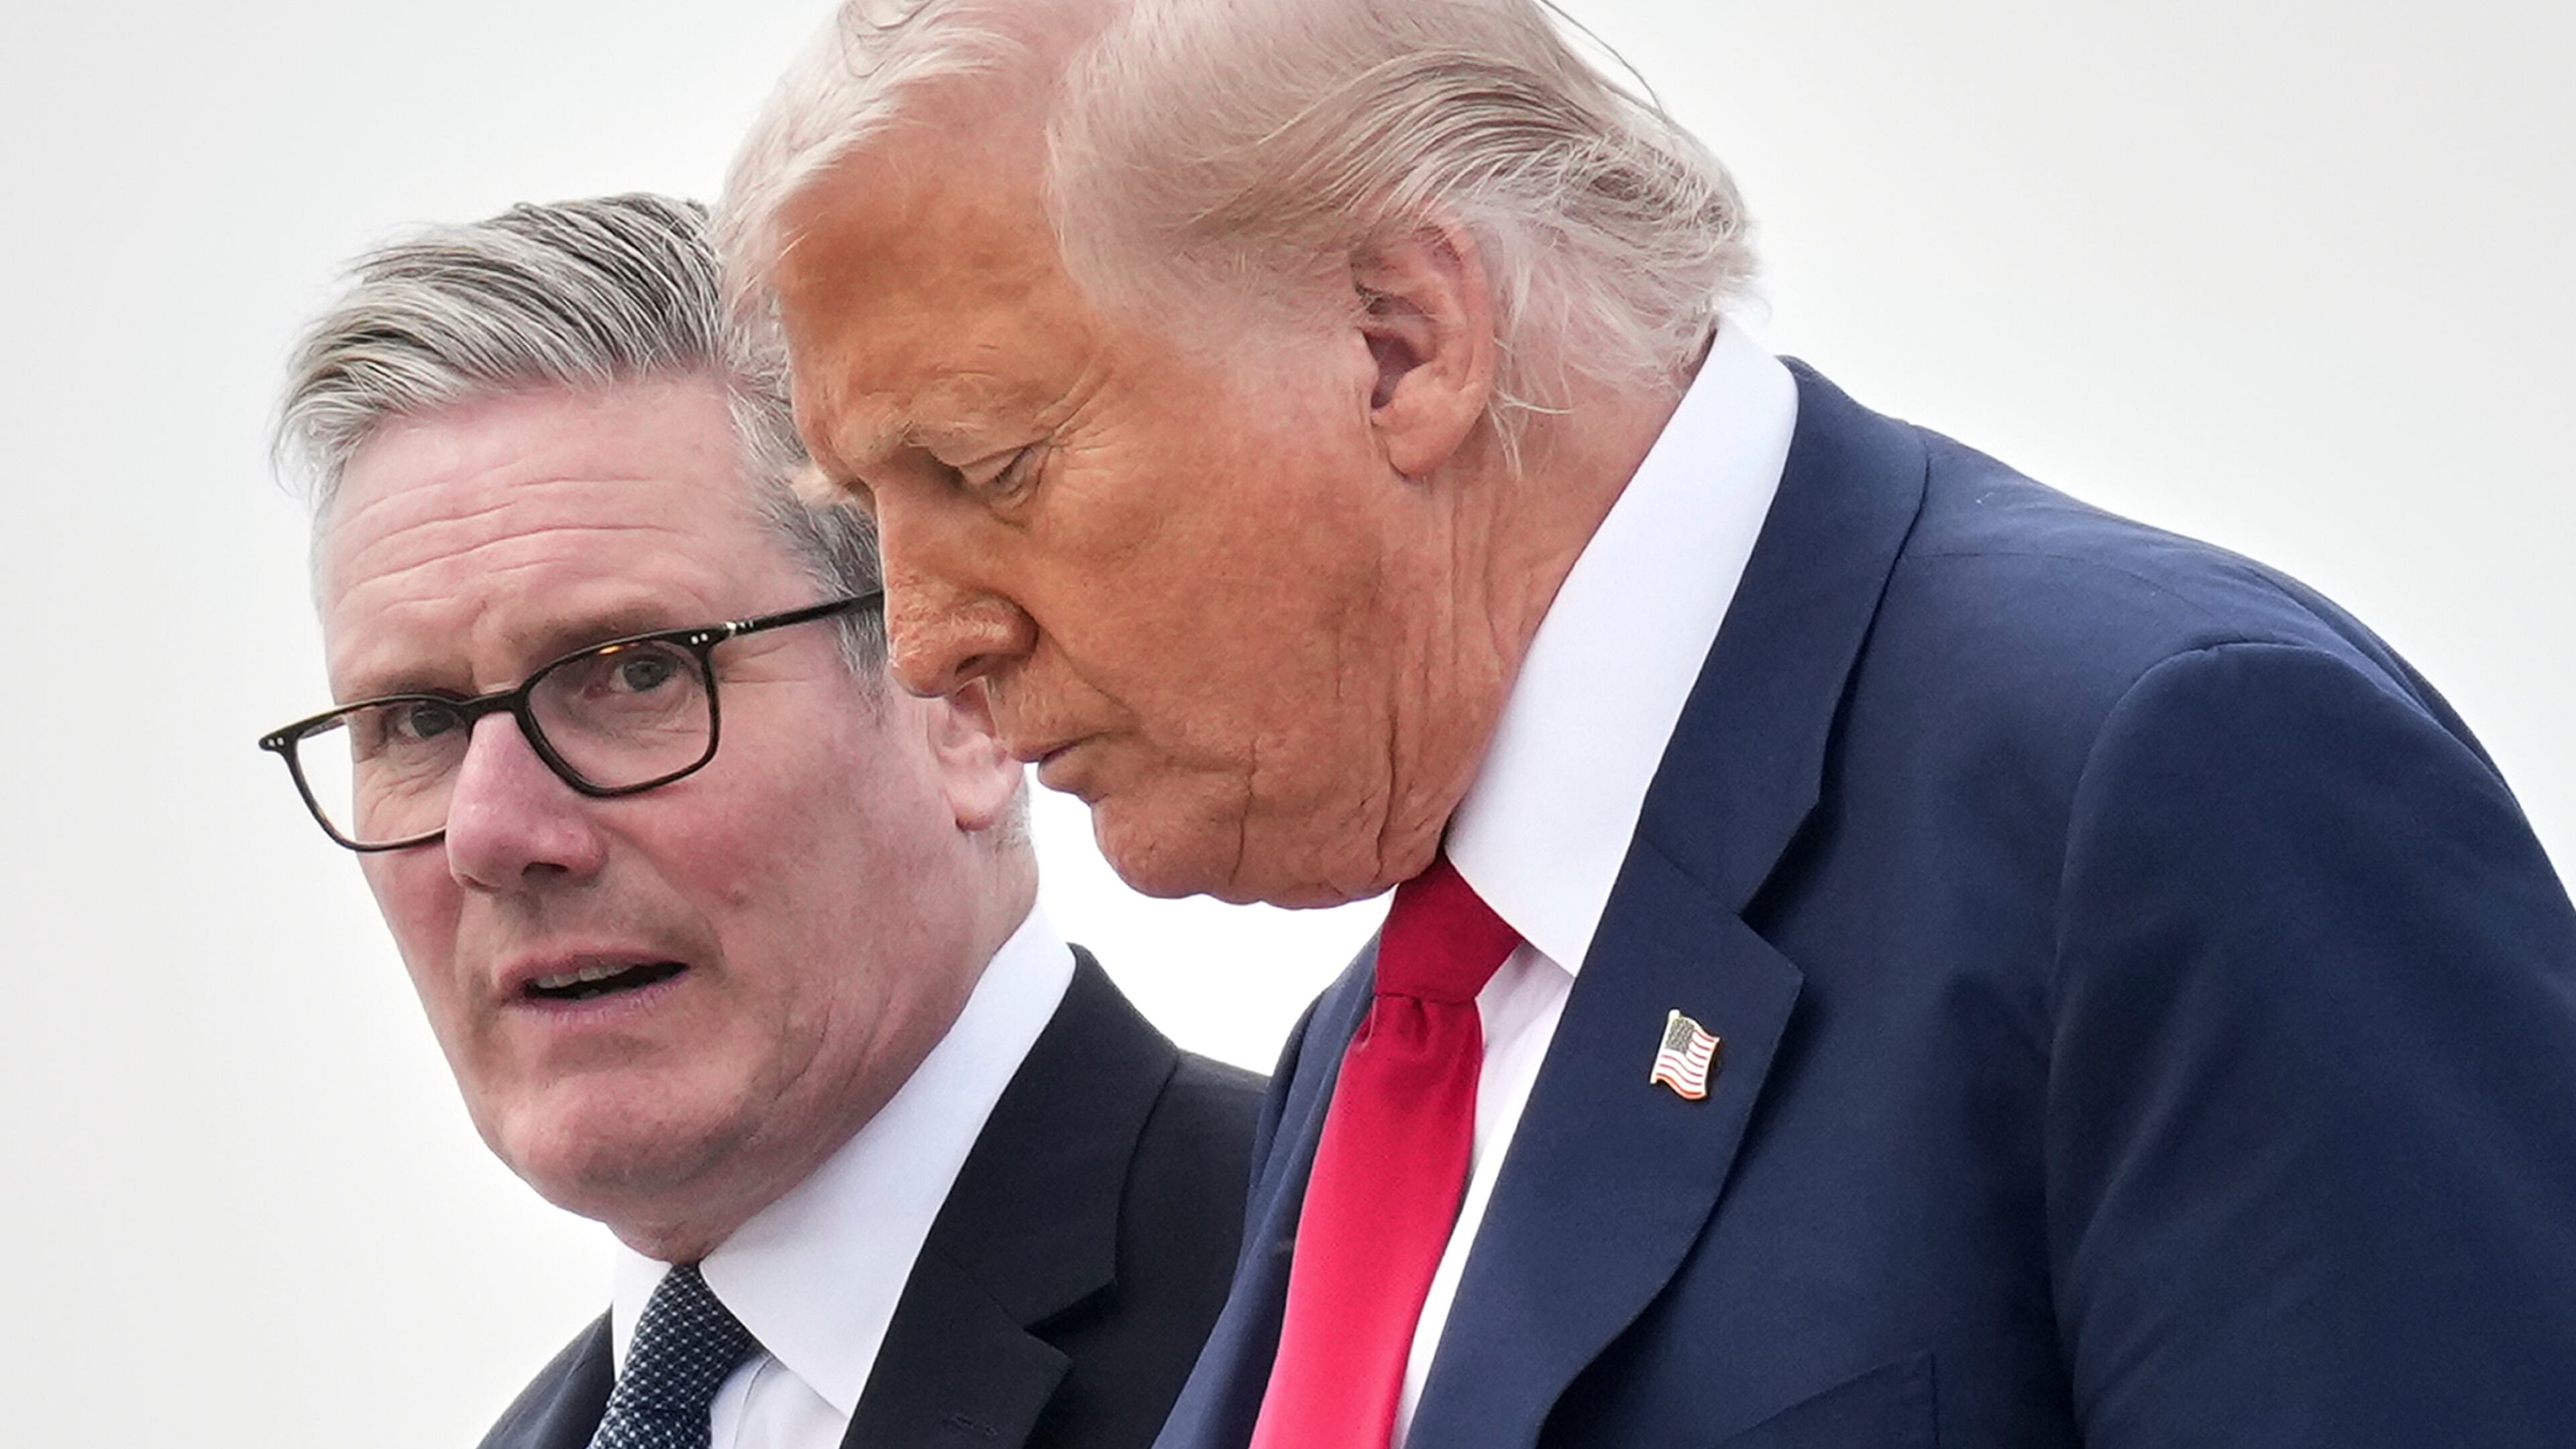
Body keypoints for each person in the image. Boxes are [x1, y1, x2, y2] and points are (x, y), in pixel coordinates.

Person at [713, 3, 2576, 1447]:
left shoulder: (2170, 781)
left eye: (986, 468)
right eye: (872, 519)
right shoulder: (1377, 1045)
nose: (933, 642)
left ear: (1401, 340)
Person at [260, 193, 1261, 1449]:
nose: (493, 833)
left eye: (634, 672)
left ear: (958, 699)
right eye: (414, 724)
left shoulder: (1362, 1296)